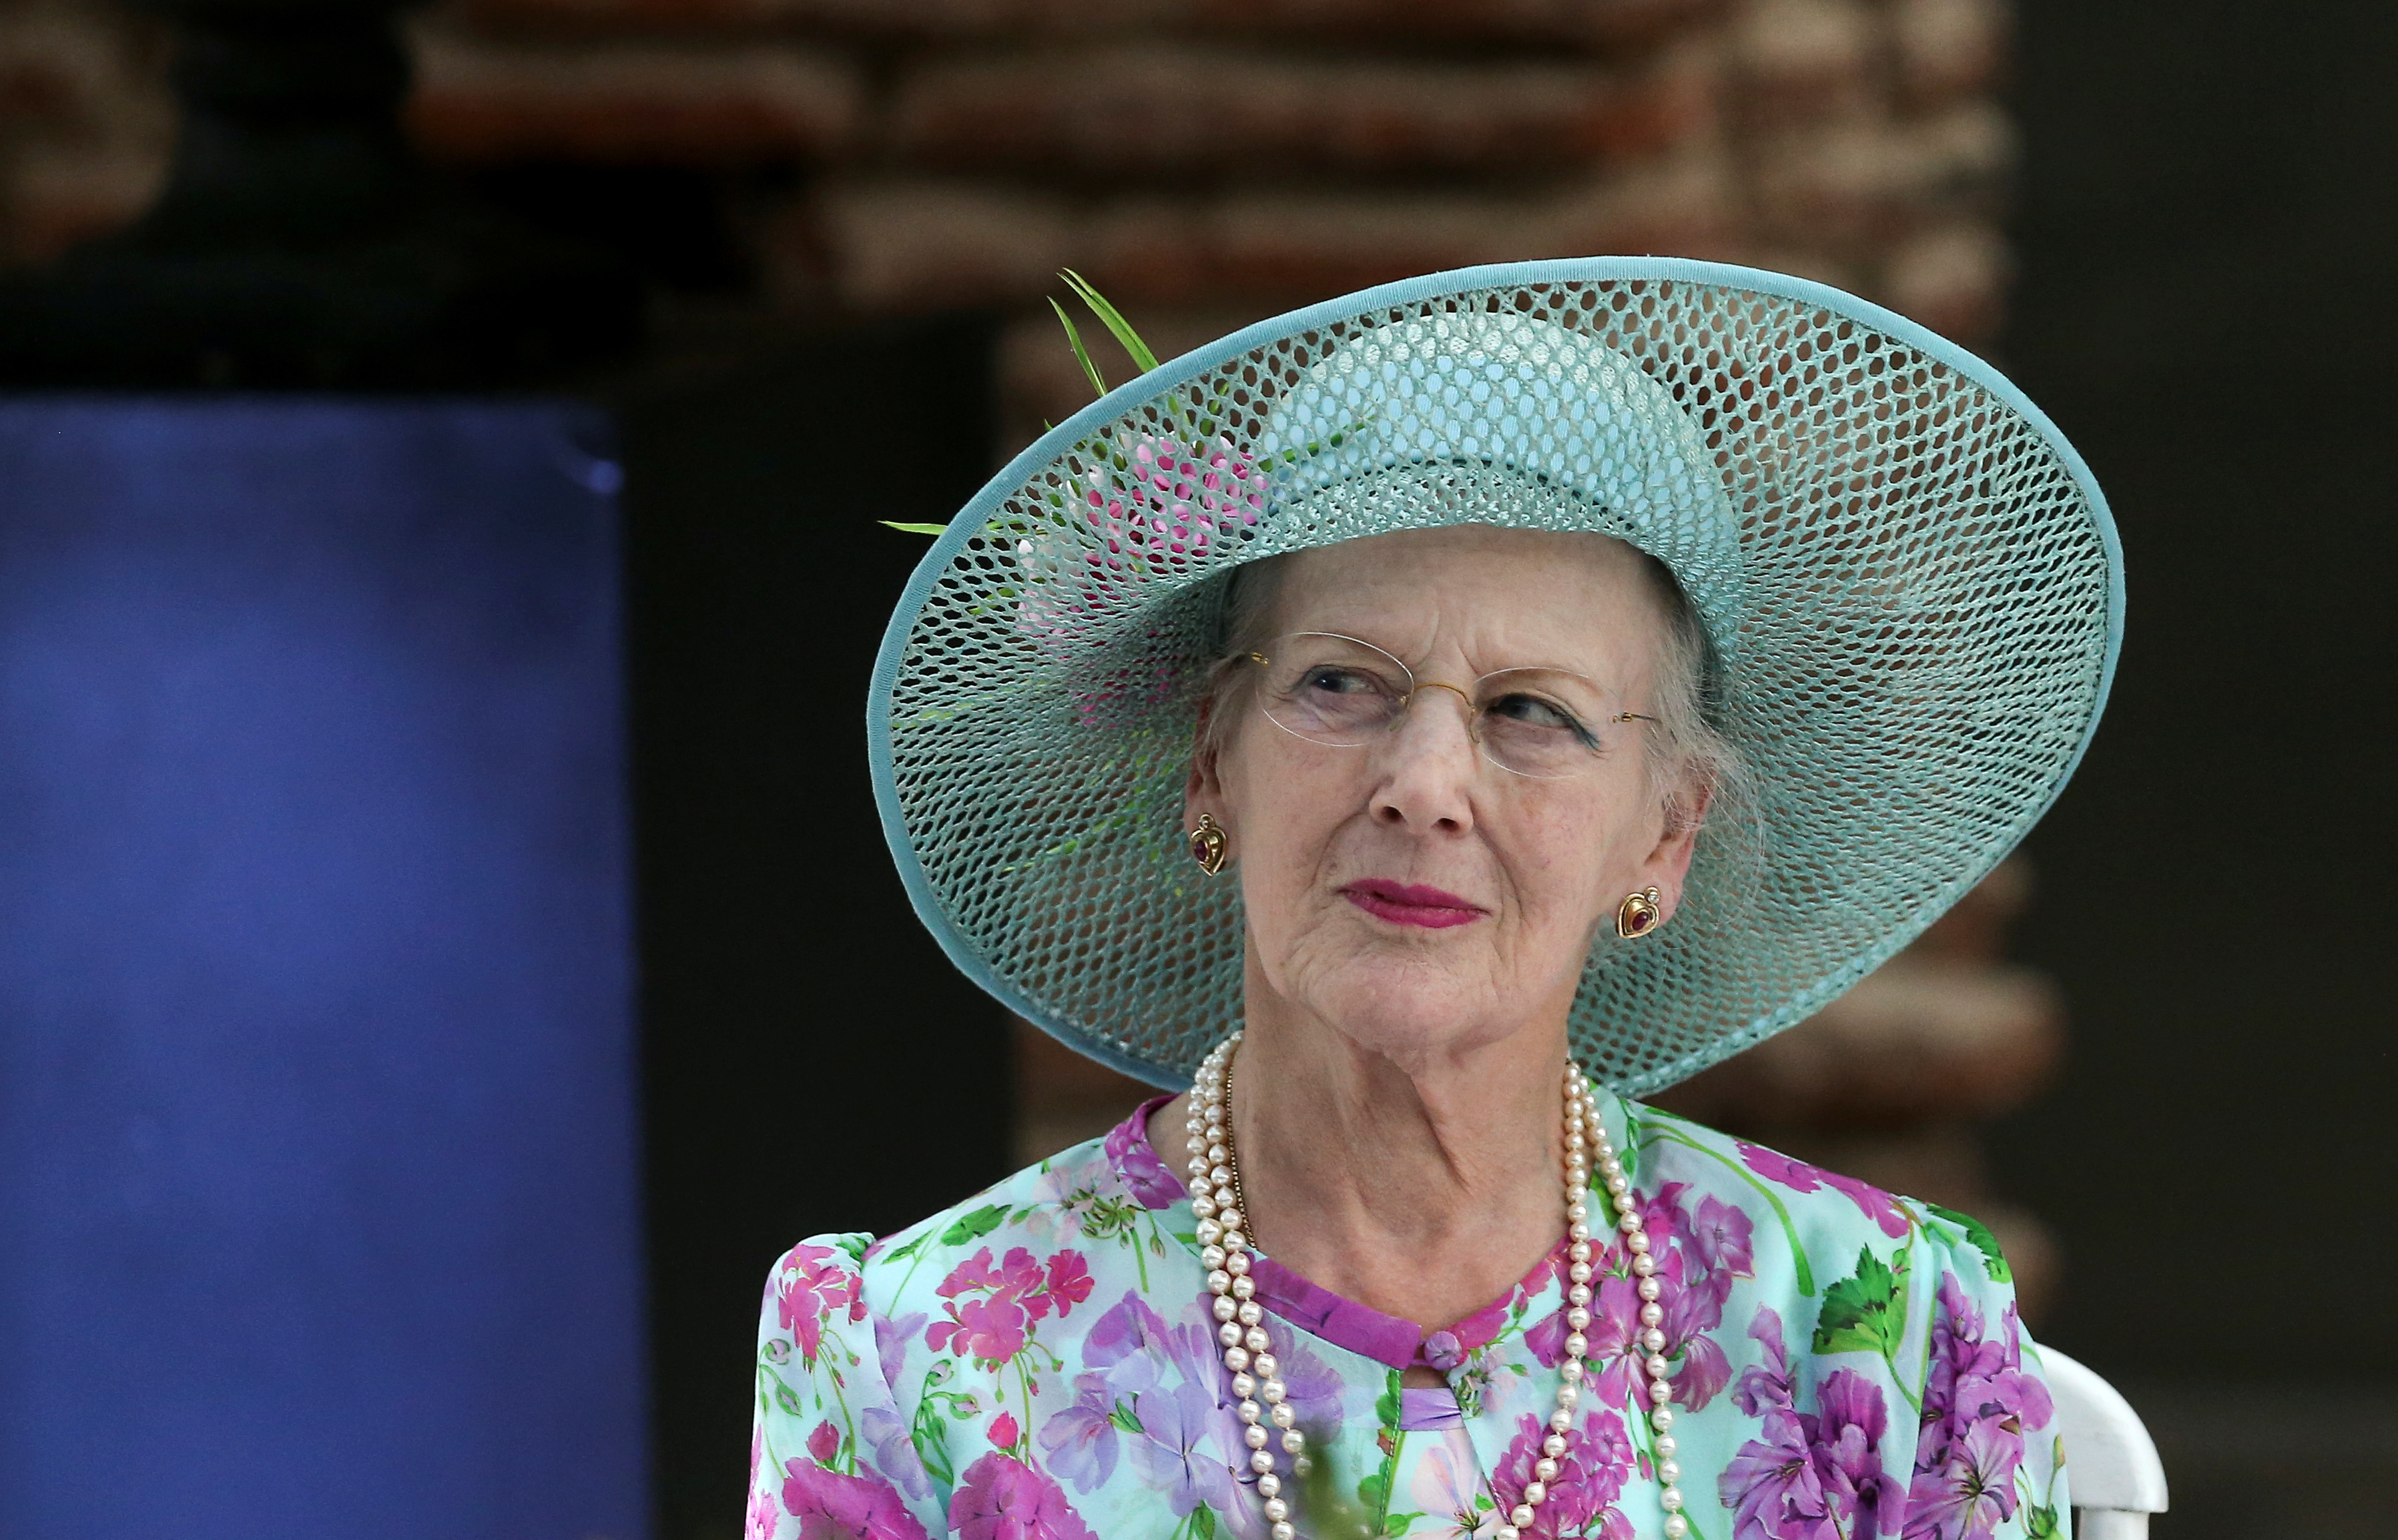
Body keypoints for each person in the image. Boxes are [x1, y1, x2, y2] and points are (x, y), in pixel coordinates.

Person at [747, 259, 2118, 1540]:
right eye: (1341, 682)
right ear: (1214, 761)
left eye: (1532, 711)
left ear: (1664, 835)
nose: (1423, 784)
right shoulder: (907, 1354)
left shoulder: (1884, 1329)